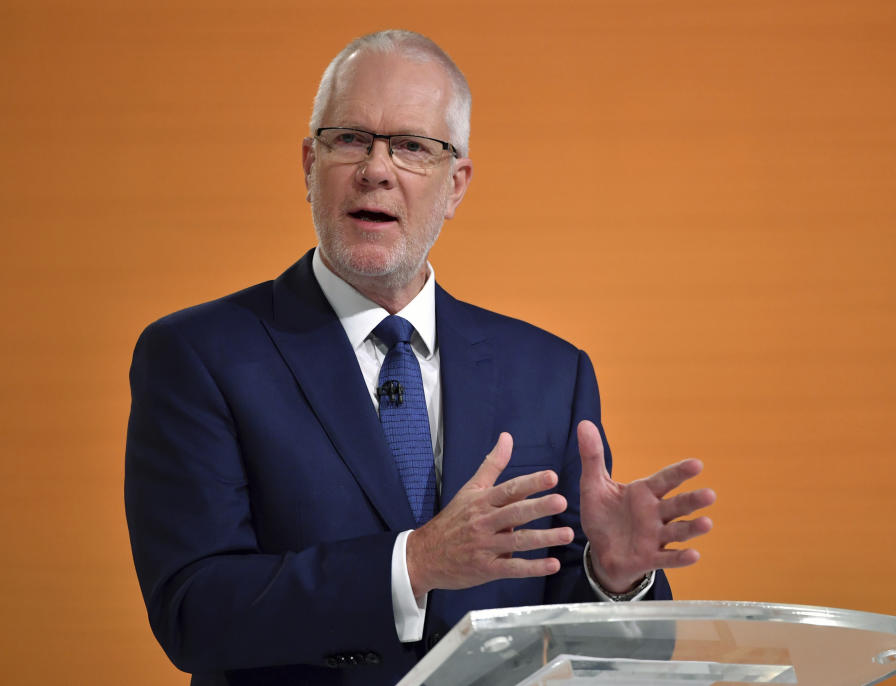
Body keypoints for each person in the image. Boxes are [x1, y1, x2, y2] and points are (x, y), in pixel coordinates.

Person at [125, 30, 715, 686]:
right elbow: (193, 614)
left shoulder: (550, 371)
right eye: (349, 138)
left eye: (411, 147)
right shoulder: (199, 354)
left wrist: (613, 577)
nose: (376, 169)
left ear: (455, 184)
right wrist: (413, 563)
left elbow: (585, 643)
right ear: (307, 165)